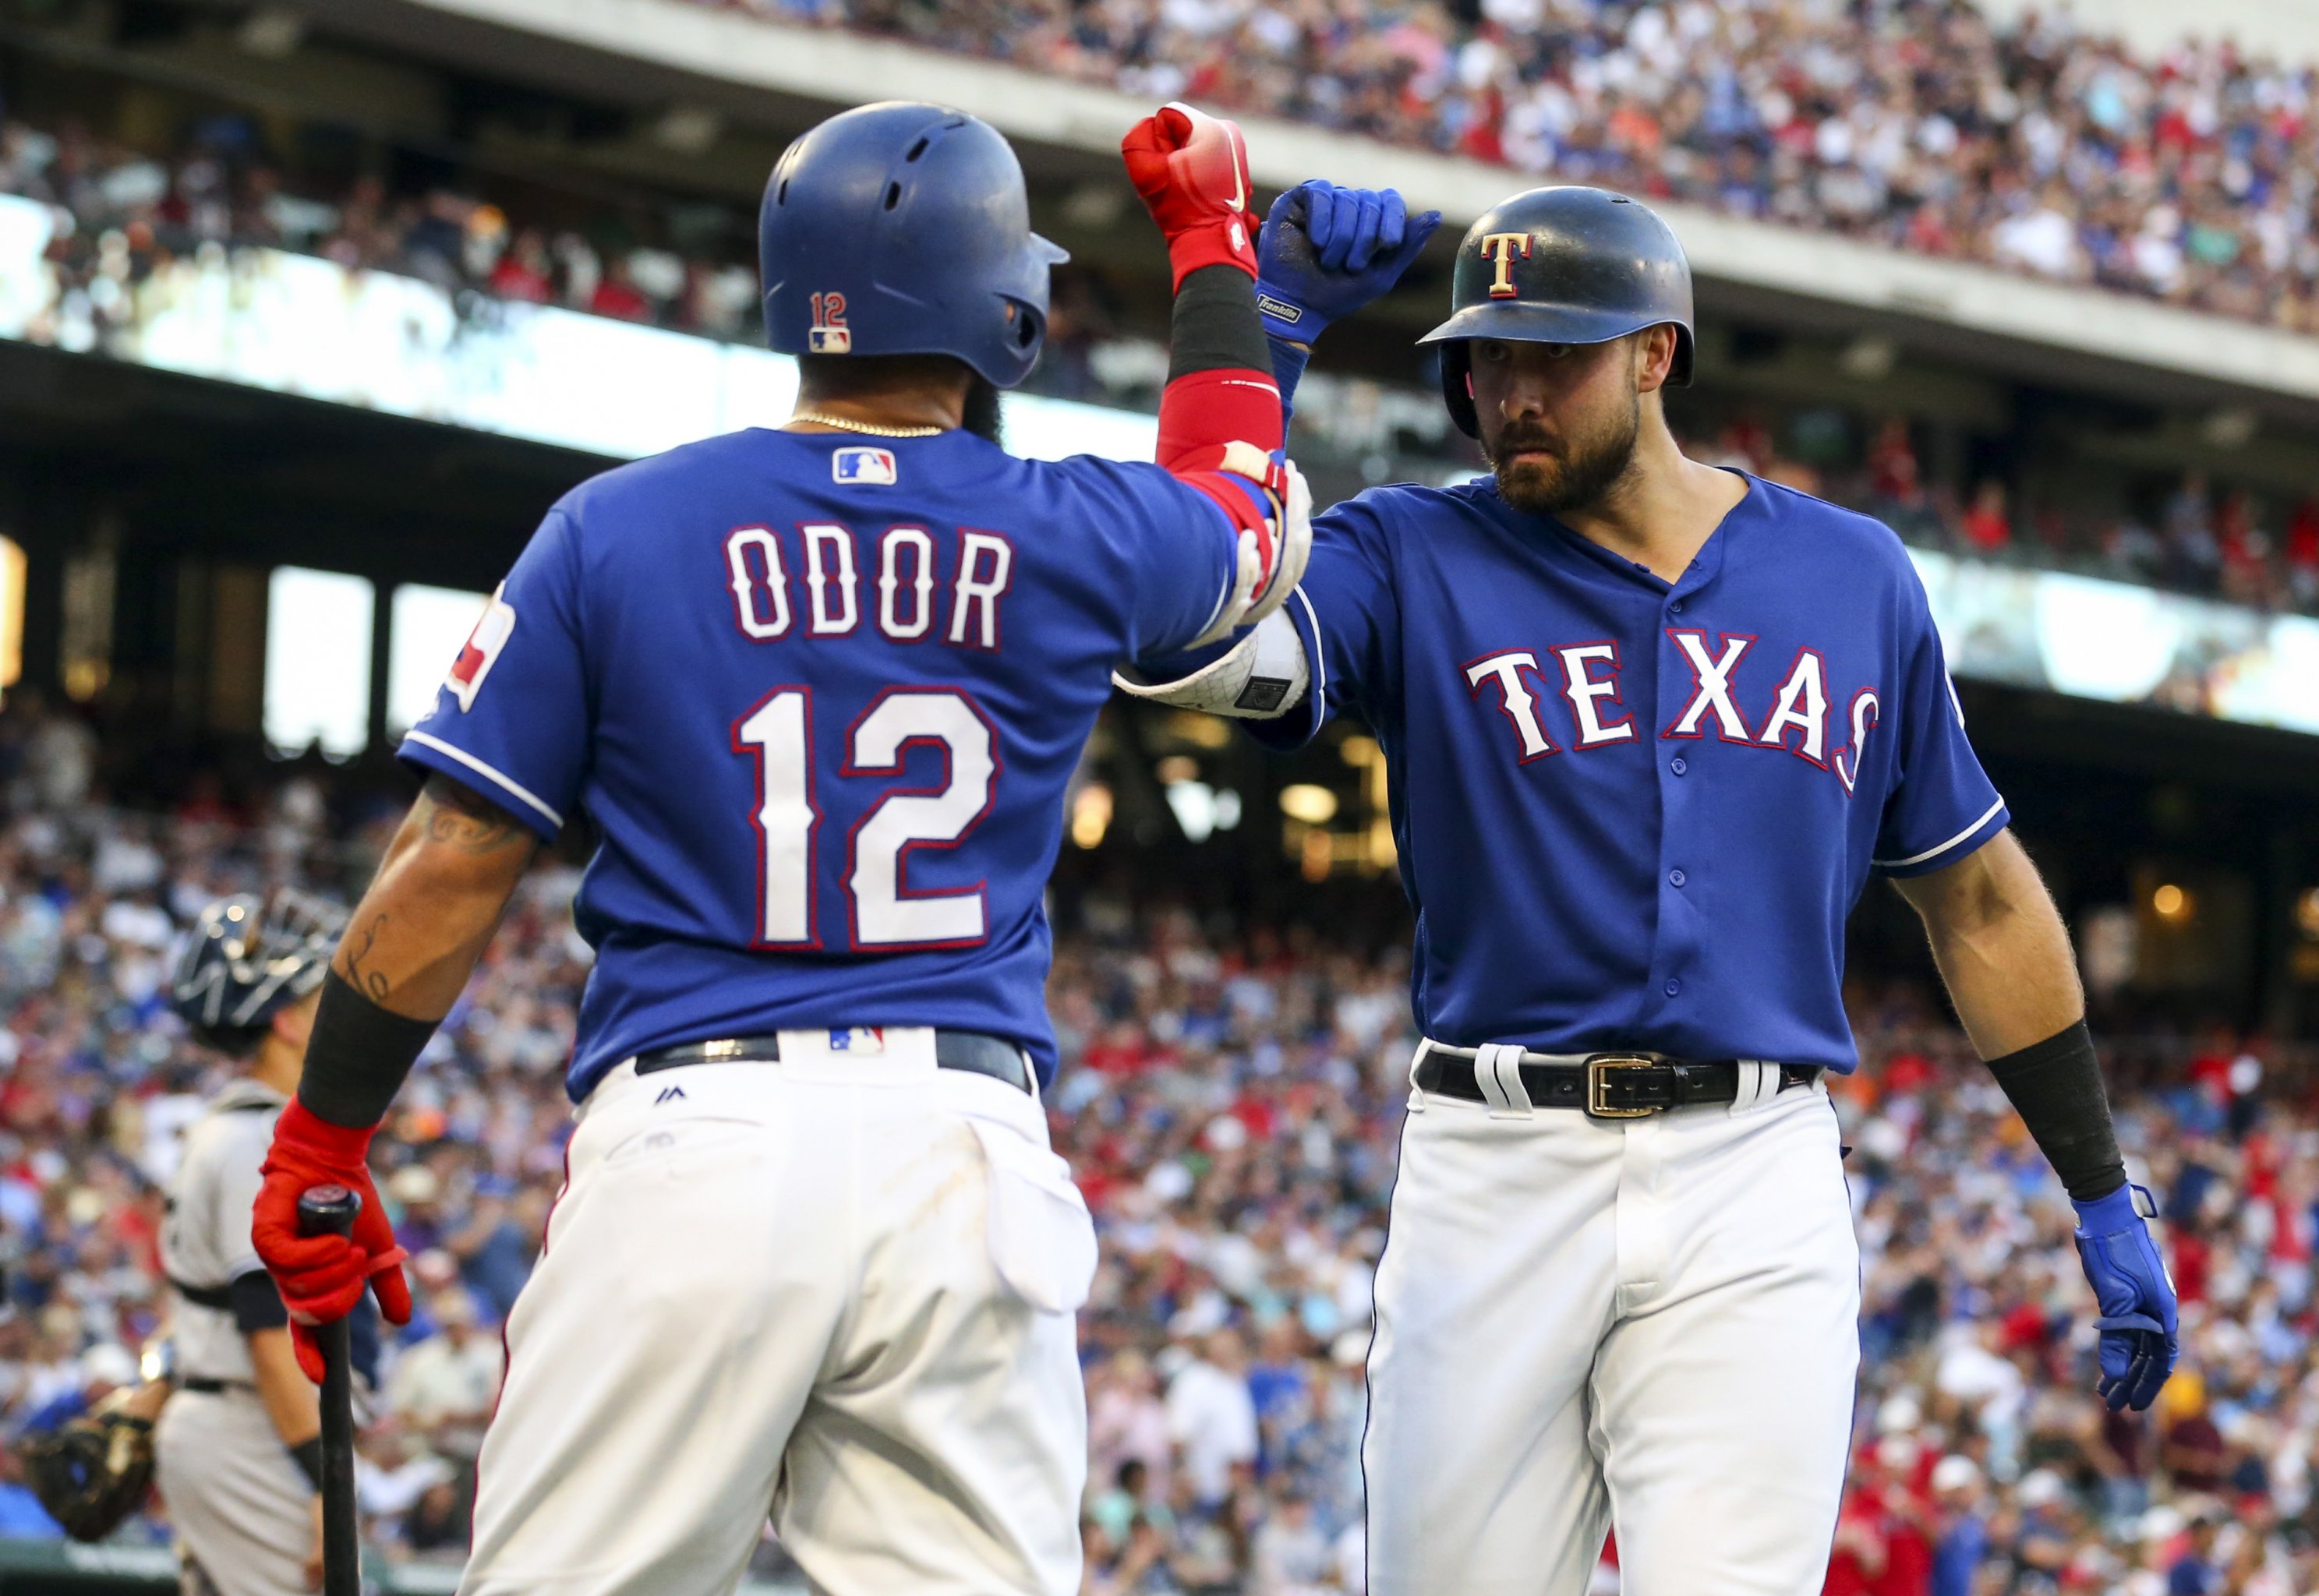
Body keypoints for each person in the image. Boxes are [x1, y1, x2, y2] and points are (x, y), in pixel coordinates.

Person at [247, 99, 1308, 1596]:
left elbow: (454, 856)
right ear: (999, 305)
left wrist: (323, 1136)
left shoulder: (617, 526)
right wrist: (1213, 249)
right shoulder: (1077, 527)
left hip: (700, 1144)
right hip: (965, 1155)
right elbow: (1248, 509)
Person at [1122, 179, 2178, 1594]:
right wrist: (1271, 331)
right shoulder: (1413, 548)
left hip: (1755, 1167)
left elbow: (1977, 898)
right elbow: (1185, 639)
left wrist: (2101, 1186)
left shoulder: (1848, 574)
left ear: (1654, 354)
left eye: (1551, 355)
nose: (1510, 396)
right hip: (1494, 1162)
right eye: (1485, 359)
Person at [157, 891, 369, 1595]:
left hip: (238, 1426)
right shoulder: (257, 1138)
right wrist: (324, 1481)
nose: (338, 1013)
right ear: (285, 1021)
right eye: (320, 997)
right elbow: (268, 1329)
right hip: (259, 1437)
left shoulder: (237, 1127)